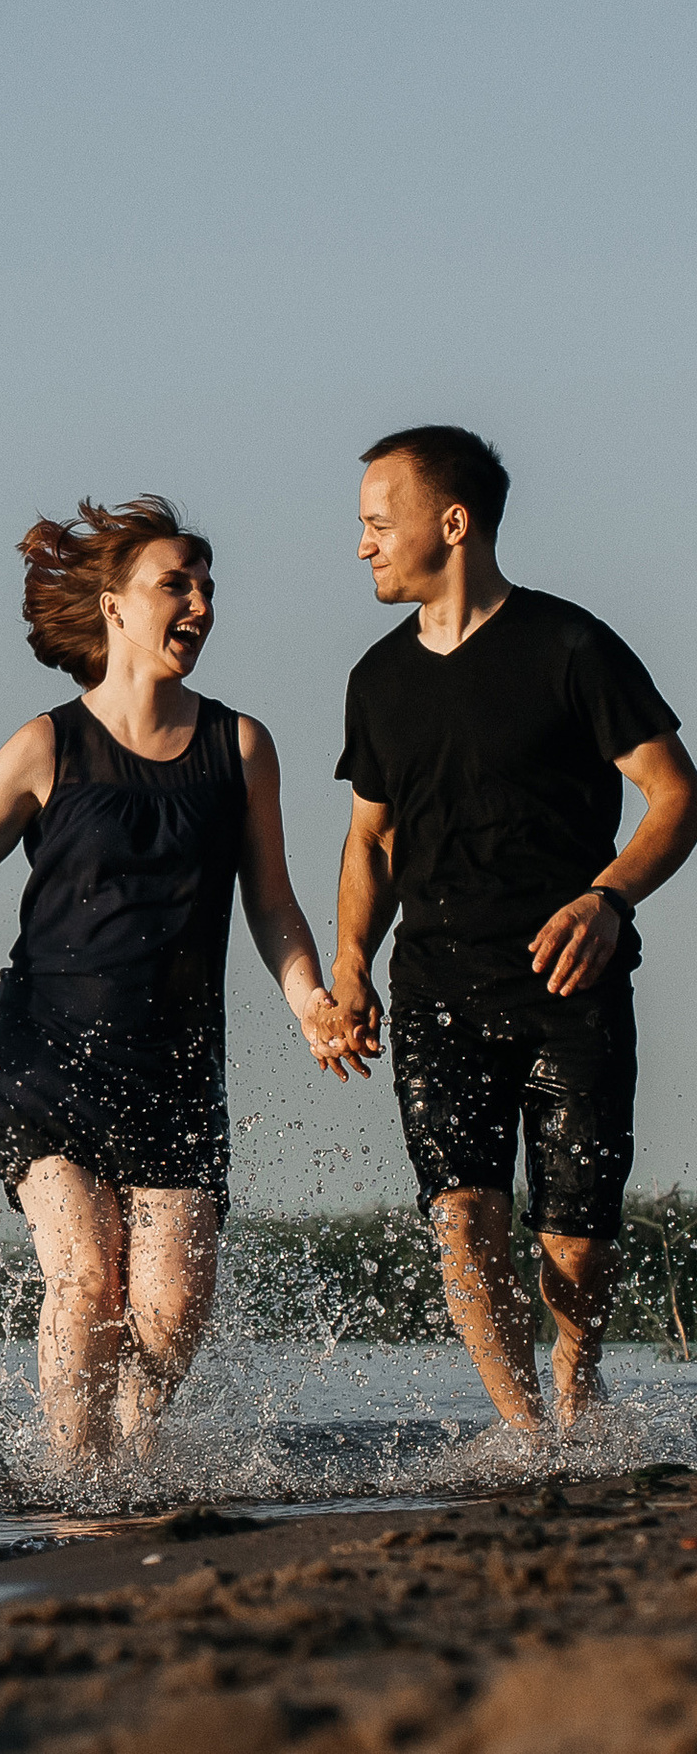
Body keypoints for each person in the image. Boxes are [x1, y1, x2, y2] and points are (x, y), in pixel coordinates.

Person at [0, 497, 352, 1461]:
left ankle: (126, 1482)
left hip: (174, 1067)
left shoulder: (240, 747)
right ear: (116, 606)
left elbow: (273, 905)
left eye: (208, 587)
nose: (200, 603)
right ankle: (73, 1487)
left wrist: (312, 1004)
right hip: (42, 1055)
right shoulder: (48, 747)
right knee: (86, 1275)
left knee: (167, 1317)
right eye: (178, 583)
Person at [331, 426, 695, 1437]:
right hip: (434, 989)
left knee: (571, 1243)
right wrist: (351, 961)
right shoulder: (376, 680)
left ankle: (577, 1381)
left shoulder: (569, 646)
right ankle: (528, 1433)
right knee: (462, 1222)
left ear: (450, 523)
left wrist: (608, 899)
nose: (361, 544)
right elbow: (370, 841)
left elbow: (674, 795)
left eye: (375, 521)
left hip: (569, 986)